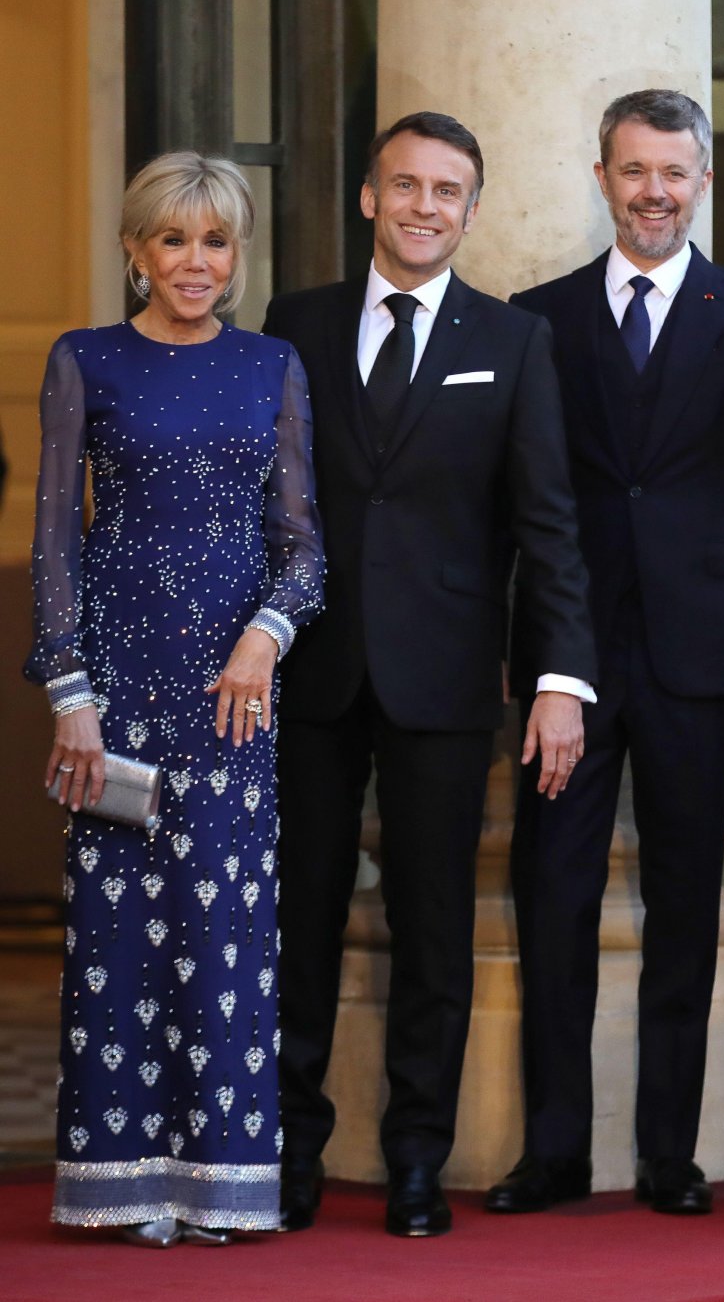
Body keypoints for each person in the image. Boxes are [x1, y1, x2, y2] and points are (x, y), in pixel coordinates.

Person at [485, 89, 724, 1219]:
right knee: (550, 893)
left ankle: (667, 1156)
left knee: (687, 901)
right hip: (573, 655)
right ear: (602, 177)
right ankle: (550, 1153)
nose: (654, 191)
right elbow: (524, 497)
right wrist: (551, 658)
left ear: (701, 183)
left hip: (701, 642)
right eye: (634, 170)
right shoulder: (536, 315)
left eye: (674, 172)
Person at [262, 112, 596, 1239]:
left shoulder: (512, 341)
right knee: (296, 917)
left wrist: (562, 677)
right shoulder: (292, 326)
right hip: (307, 670)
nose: (423, 207)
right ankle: (292, 1149)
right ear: (369, 197)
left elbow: (547, 525)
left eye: (447, 191)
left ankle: (416, 1157)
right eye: (404, 186)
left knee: (434, 928)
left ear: (471, 211)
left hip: (448, 680)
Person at [25, 152, 324, 1244]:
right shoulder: (84, 361)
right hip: (117, 698)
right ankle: (122, 1187)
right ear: (134, 249)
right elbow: (56, 535)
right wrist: (71, 693)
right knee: (116, 932)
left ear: (235, 256)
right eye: (172, 240)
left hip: (233, 703)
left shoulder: (271, 366)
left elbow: (303, 550)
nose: (193, 262)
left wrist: (265, 636)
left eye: (214, 242)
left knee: (226, 928)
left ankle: (219, 1188)